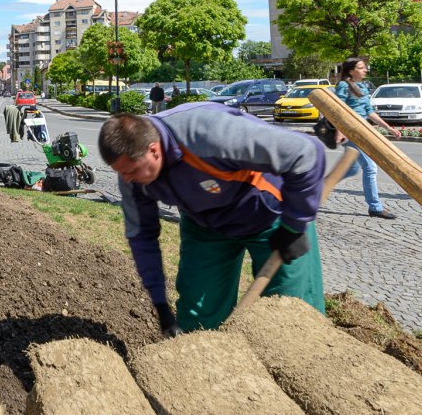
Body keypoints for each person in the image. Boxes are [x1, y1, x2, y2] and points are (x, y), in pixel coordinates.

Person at [98, 104, 327, 335]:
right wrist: (159, 304)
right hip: (206, 225)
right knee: (198, 319)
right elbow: (142, 238)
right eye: (121, 172)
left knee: (290, 314)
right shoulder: (131, 176)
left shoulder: (210, 135)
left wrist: (295, 225)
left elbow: (306, 153)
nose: (126, 180)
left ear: (154, 150)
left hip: (271, 215)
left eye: (131, 171)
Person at [334, 57, 401, 220]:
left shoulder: (362, 87)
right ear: (351, 71)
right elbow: (337, 110)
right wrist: (340, 131)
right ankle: (375, 207)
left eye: (365, 68)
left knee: (350, 169)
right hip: (351, 133)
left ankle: (317, 188)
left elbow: (369, 112)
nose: (365, 70)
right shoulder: (343, 86)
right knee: (370, 168)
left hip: (363, 132)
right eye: (361, 67)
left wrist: (388, 128)